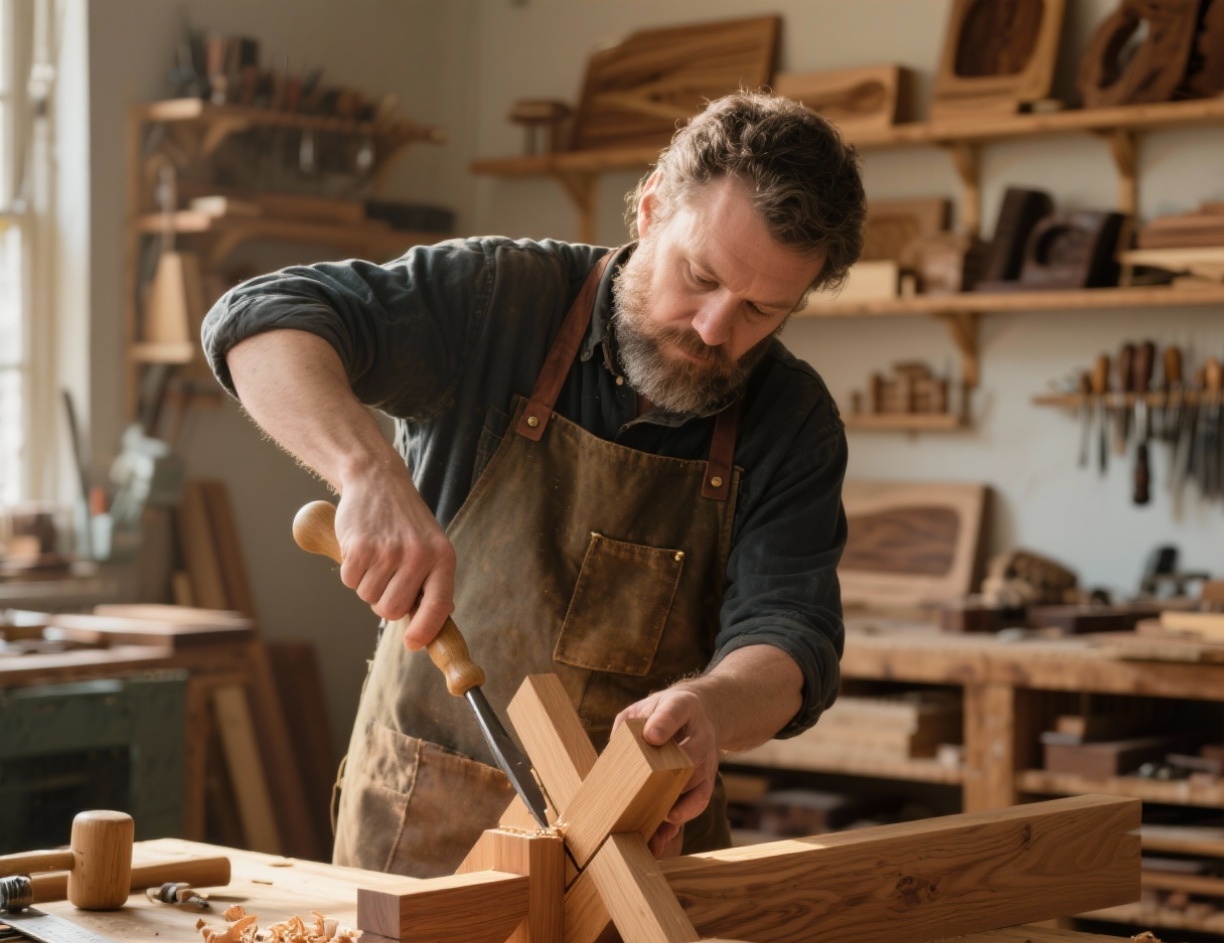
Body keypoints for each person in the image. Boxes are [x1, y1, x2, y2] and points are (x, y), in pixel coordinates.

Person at [202, 90, 865, 877]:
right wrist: (366, 471)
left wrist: (713, 708)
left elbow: (791, 638)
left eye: (761, 310)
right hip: (422, 833)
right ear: (651, 210)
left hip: (637, 853)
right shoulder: (496, 298)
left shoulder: (793, 421)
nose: (716, 329)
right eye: (700, 277)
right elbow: (258, 321)